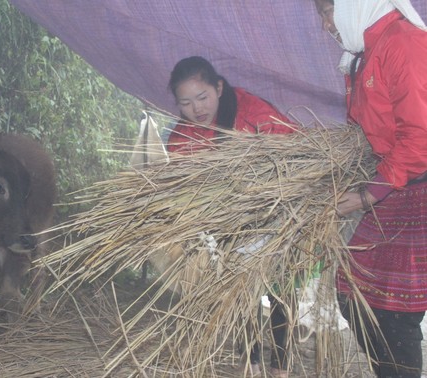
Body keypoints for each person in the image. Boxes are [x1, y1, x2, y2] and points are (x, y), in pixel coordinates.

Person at [315, 1, 427, 377]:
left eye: (330, 9)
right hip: (395, 186)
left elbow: (420, 140)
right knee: (352, 294)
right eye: (321, 14)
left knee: (396, 313)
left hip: (418, 189)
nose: (327, 23)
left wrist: (365, 196)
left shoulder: (404, 43)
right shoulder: (362, 52)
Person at [166, 56, 295, 377]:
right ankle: (249, 360)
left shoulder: (253, 114)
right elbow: (178, 190)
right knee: (240, 290)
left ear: (219, 87)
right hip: (226, 227)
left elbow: (294, 152)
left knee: (280, 289)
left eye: (203, 97)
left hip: (276, 213)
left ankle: (280, 366)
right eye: (186, 103)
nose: (196, 109)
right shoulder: (182, 138)